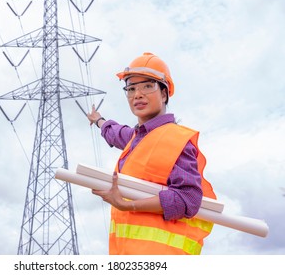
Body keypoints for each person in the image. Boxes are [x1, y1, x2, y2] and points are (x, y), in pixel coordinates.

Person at [87, 52, 217, 255]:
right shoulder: (136, 139)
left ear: (164, 94)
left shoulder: (175, 139)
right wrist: (99, 120)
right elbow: (115, 133)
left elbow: (188, 198)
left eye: (147, 86)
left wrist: (127, 205)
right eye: (131, 89)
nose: (137, 94)